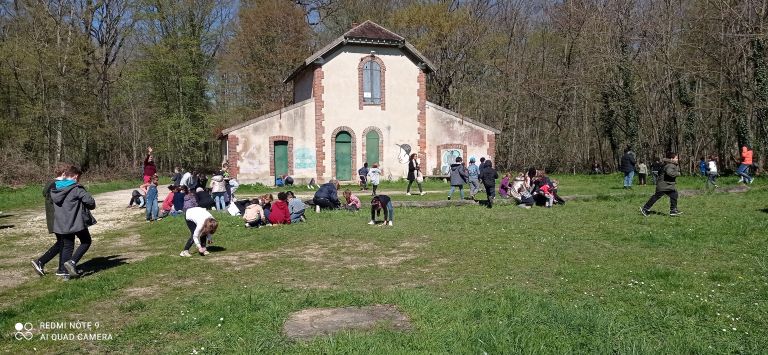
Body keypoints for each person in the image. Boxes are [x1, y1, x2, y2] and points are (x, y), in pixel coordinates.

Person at [51, 165, 96, 278]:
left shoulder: (55, 188)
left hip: (61, 223)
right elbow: (90, 202)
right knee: (86, 241)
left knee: (67, 246)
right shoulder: (76, 188)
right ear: (75, 177)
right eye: (79, 178)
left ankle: (65, 273)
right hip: (76, 222)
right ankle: (72, 262)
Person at [31, 163, 70, 278]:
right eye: (67, 174)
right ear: (63, 173)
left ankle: (60, 268)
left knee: (62, 243)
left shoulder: (51, 183)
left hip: (54, 219)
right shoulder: (57, 185)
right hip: (57, 219)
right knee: (63, 243)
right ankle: (41, 262)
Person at [641, 151, 682, 217]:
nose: (677, 159)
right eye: (676, 158)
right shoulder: (670, 165)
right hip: (664, 185)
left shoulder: (668, 164)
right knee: (656, 197)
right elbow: (669, 173)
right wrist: (678, 173)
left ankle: (673, 211)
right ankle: (645, 209)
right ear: (672, 159)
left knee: (674, 194)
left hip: (666, 185)